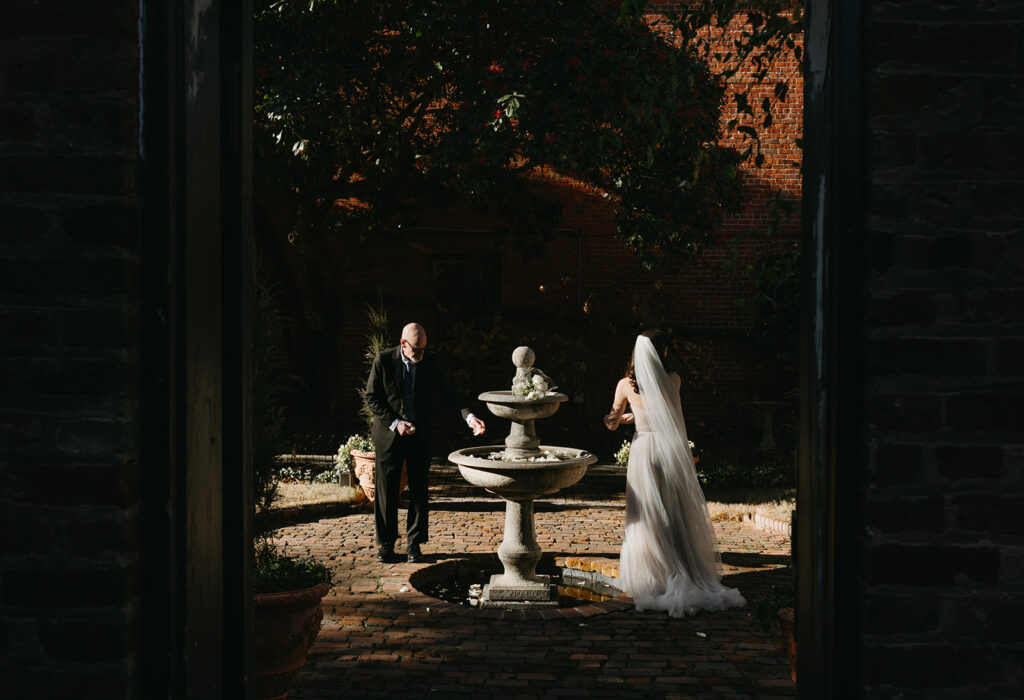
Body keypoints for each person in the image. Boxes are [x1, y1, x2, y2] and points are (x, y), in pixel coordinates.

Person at [603, 330, 745, 617]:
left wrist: (618, 418)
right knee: (671, 512)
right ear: (662, 353)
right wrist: (640, 415)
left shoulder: (625, 386)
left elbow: (612, 422)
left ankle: (651, 575)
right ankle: (678, 567)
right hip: (667, 452)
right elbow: (665, 415)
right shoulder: (674, 380)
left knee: (645, 515)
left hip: (644, 453)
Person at [364, 322, 486, 563]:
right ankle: (386, 544)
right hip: (390, 434)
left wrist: (469, 417)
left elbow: (449, 392)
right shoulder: (384, 360)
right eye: (416, 350)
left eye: (423, 350)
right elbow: (372, 397)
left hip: (420, 435)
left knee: (419, 491)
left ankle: (414, 544)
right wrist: (395, 423)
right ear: (403, 344)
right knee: (386, 491)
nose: (420, 355)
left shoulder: (430, 362)